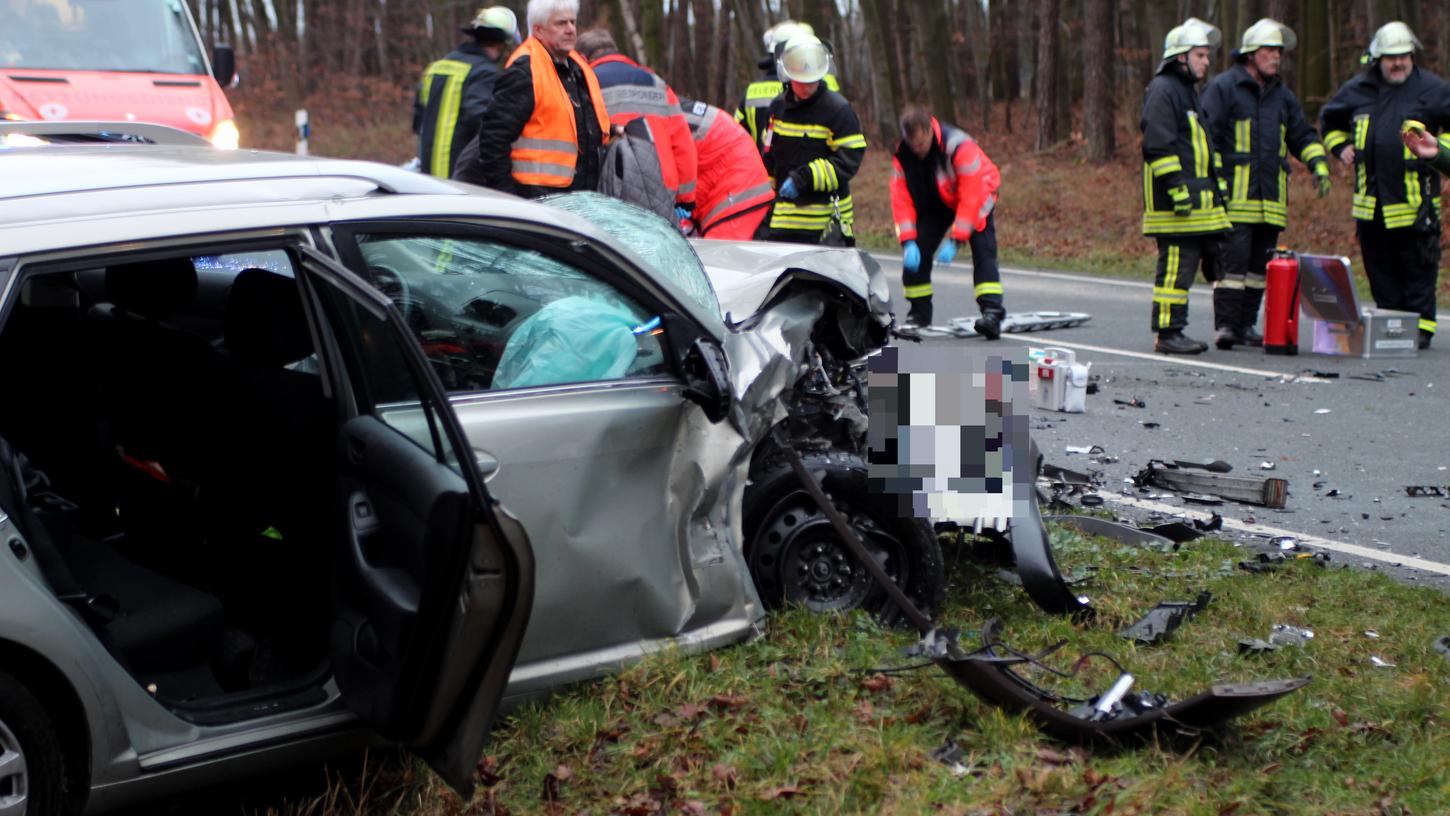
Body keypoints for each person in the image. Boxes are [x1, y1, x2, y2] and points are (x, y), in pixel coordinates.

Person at [1200, 18, 1330, 350]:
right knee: (1232, 266)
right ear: (1250, 54)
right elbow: (1207, 138)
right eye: (1269, 51)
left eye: (1278, 52)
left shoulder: (1282, 96)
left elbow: (1301, 133)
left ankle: (1245, 326)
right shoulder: (1224, 88)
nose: (1276, 57)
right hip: (1234, 198)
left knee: (1259, 269)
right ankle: (1226, 326)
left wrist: (1317, 162)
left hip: (1270, 200)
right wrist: (1214, 185)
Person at [1320, 21, 1450, 349]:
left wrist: (1440, 154)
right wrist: (1340, 146)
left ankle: (1420, 329)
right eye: (1392, 57)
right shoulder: (1357, 90)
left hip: (1416, 202)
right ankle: (1392, 325)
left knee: (1418, 267)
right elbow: (1330, 121)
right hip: (1371, 204)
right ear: (1377, 58)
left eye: (1404, 55)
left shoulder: (1432, 90)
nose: (1399, 62)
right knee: (1380, 268)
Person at [451, 0, 610, 199]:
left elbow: (574, 126)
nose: (570, 29)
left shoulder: (577, 70)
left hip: (580, 199)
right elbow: (493, 140)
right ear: (538, 30)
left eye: (572, 22)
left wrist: (614, 130)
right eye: (560, 23)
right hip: (537, 203)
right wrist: (508, 199)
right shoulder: (525, 72)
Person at [1140, 17, 1231, 355]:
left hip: (1194, 208)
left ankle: (1174, 329)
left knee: (1191, 269)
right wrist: (1177, 190)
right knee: (1175, 271)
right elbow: (1157, 146)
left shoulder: (1186, 93)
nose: (1207, 62)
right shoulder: (1164, 90)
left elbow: (1201, 152)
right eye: (1201, 55)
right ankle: (1168, 333)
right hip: (1174, 206)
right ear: (1181, 57)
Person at [890, 105, 1004, 337]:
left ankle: (992, 313)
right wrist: (908, 241)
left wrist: (956, 240)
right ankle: (918, 314)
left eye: (921, 144)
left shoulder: (960, 147)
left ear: (930, 131)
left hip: (979, 193)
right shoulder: (904, 156)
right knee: (918, 251)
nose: (918, 150)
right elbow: (901, 200)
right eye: (913, 145)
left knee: (983, 251)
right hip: (939, 199)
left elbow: (971, 196)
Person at [576, 29, 698, 221]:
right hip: (661, 191)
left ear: (582, 57)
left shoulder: (584, 83)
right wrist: (686, 198)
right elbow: (683, 144)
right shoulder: (656, 83)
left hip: (609, 189)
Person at [759, 34, 866, 246]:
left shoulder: (838, 111)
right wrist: (764, 204)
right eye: (802, 81)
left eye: (813, 81)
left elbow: (848, 160)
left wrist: (804, 178)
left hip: (826, 225)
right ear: (788, 76)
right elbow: (769, 158)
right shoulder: (777, 109)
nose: (808, 87)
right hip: (783, 222)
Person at [412, 6, 518, 178]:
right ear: (501, 43)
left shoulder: (435, 68)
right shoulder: (485, 72)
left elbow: (418, 122)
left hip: (428, 175)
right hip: (461, 177)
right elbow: (484, 127)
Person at [733, 20, 840, 154]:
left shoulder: (751, 91)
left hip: (764, 170)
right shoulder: (822, 83)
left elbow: (736, 138)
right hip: (813, 170)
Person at [677, 96, 775, 240]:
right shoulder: (665, 111)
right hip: (736, 180)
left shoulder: (657, 120)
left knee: (719, 259)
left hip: (737, 192)